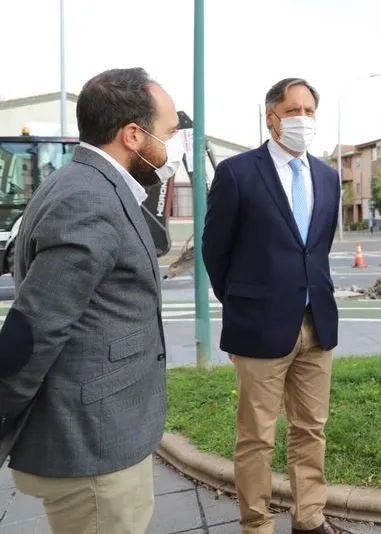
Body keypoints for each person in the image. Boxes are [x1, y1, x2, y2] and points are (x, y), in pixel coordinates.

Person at [0, 67, 182, 533]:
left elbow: (153, 241)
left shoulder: (93, 183)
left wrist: (152, 179)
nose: (174, 146)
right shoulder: (88, 199)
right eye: (169, 133)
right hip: (94, 449)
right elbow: (32, 331)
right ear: (133, 135)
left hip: (104, 434)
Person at [202, 78, 345, 534]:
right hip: (259, 327)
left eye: (310, 110)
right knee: (256, 438)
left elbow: (315, 250)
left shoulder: (326, 176)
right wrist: (243, 305)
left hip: (315, 324)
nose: (303, 118)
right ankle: (257, 524)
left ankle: (309, 519)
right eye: (294, 109)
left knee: (310, 430)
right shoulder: (238, 172)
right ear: (272, 117)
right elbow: (214, 250)